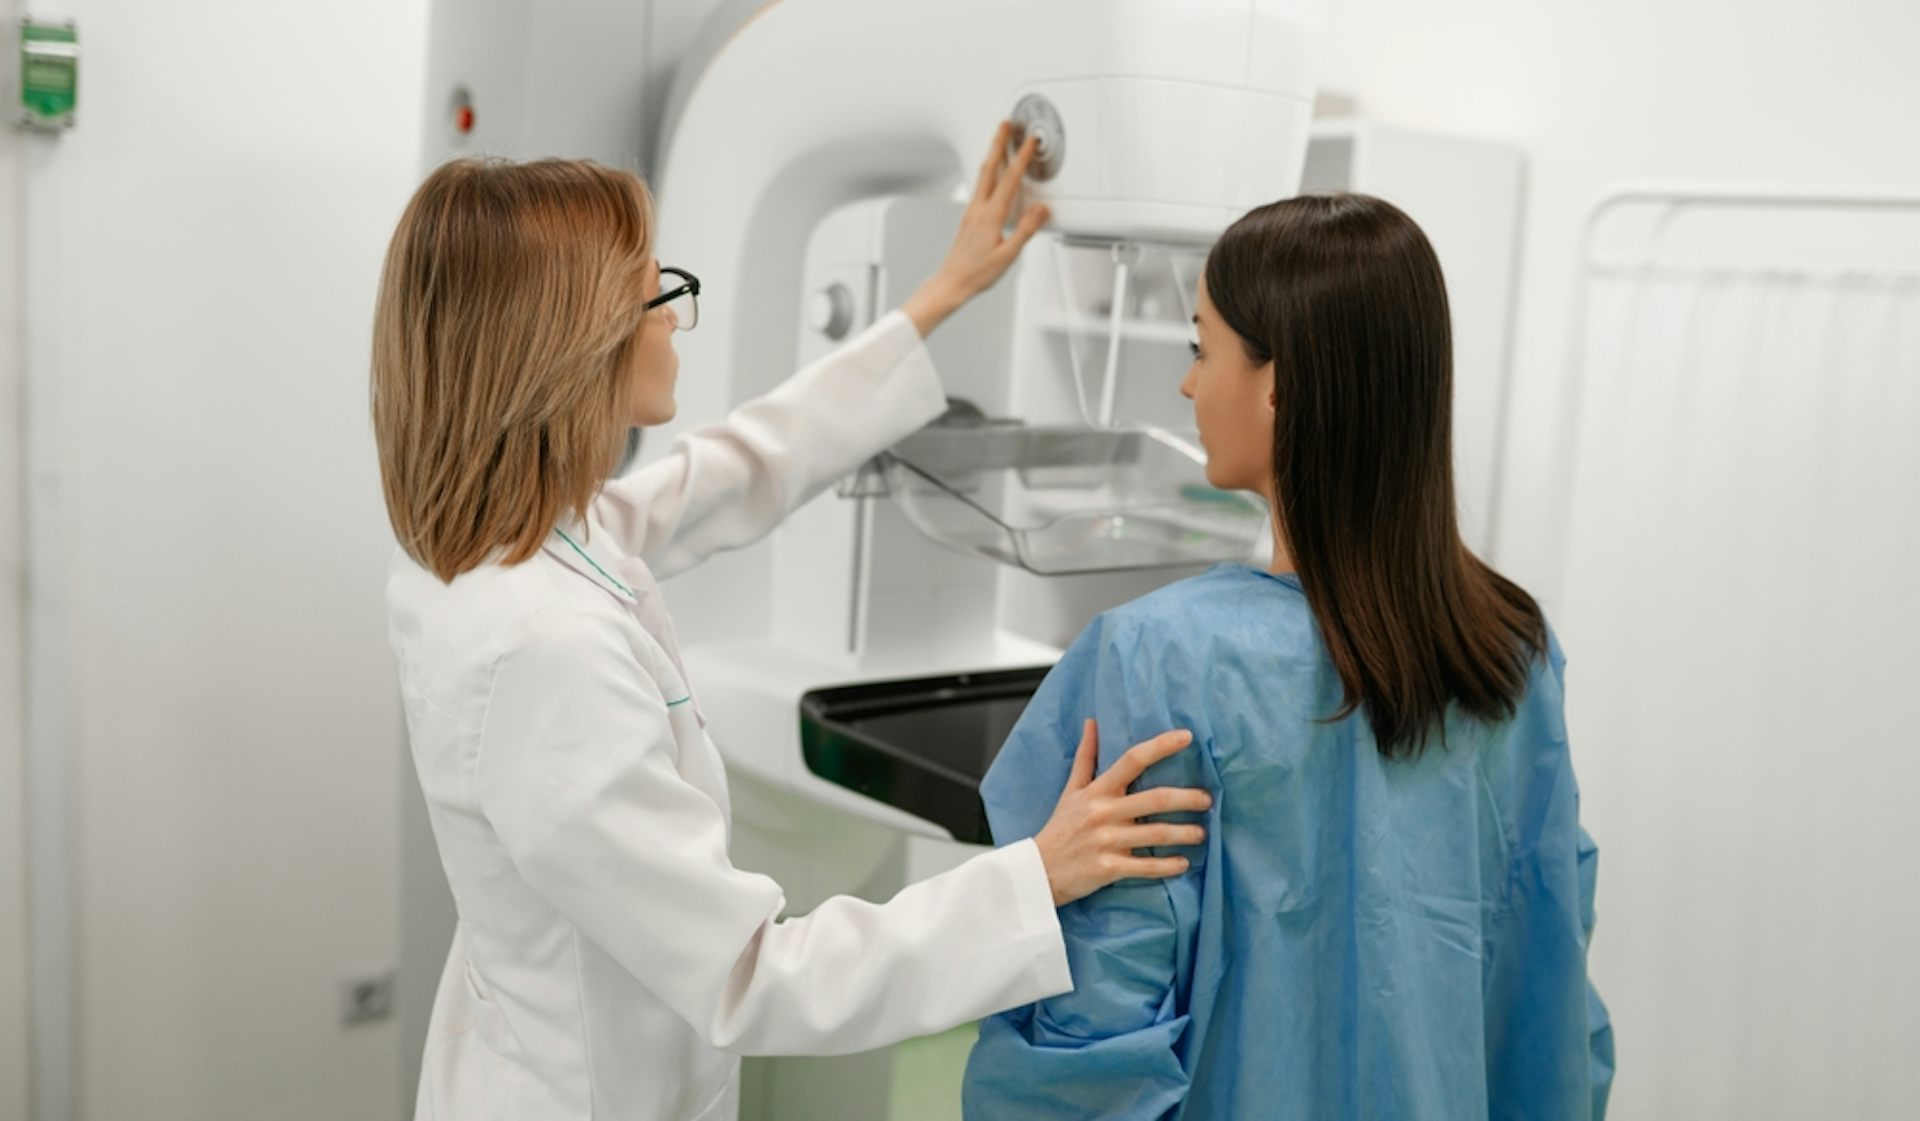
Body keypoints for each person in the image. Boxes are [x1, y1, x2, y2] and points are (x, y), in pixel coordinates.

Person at [369, 124, 1212, 1121]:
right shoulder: (543, 647)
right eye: (655, 289)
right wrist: (1036, 875)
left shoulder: (492, 547)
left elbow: (724, 473)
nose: (676, 316)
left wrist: (940, 294)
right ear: (571, 349)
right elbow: (753, 972)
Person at [962, 194, 1615, 1120]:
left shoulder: (1160, 658)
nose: (1189, 386)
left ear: (1278, 385)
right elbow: (1548, 990)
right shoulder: (1512, 651)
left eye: (1201, 348)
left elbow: (1096, 1018)